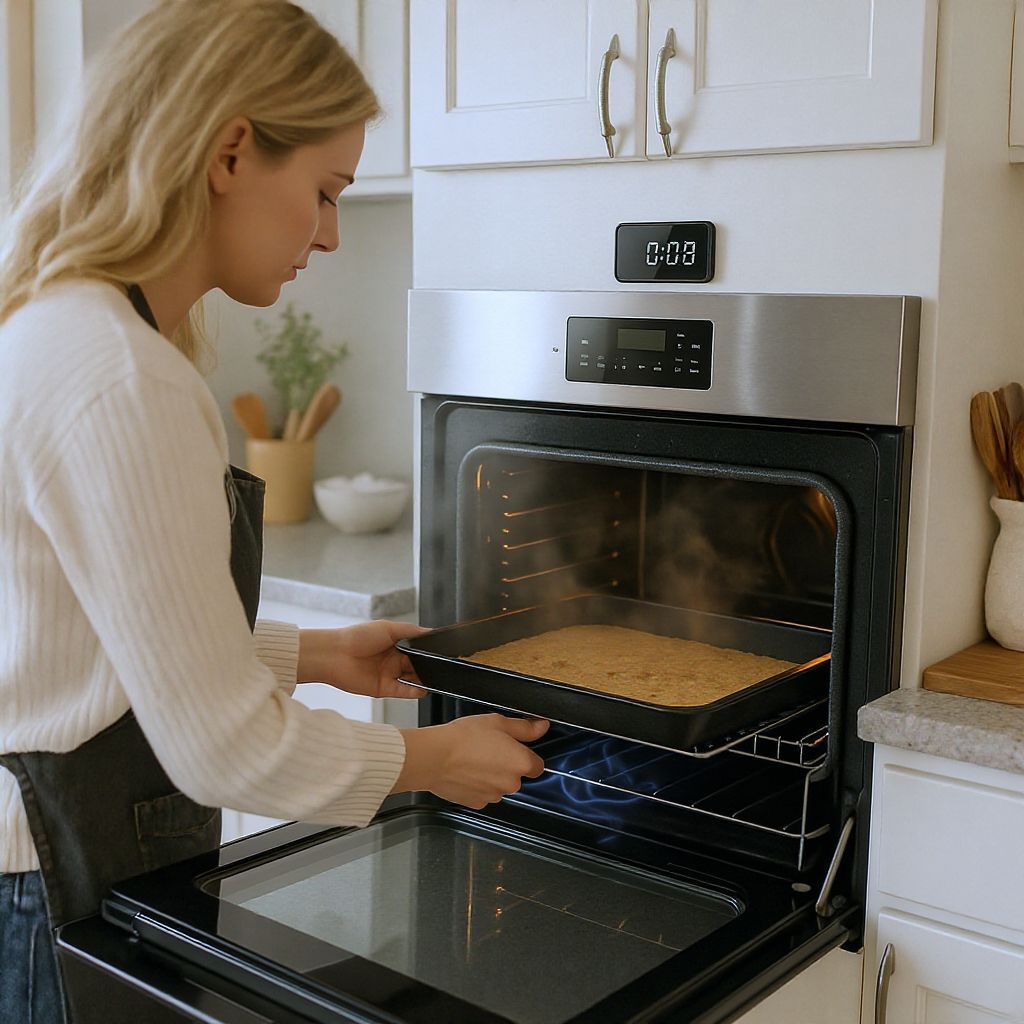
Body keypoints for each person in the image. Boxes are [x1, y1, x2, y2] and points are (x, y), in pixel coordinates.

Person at [0, 3, 549, 1021]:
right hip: (53, 891)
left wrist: (315, 654)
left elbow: (99, 639)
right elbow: (224, 749)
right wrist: (431, 760)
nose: (331, 234)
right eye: (325, 192)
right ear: (231, 149)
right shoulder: (121, 374)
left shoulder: (64, 323)